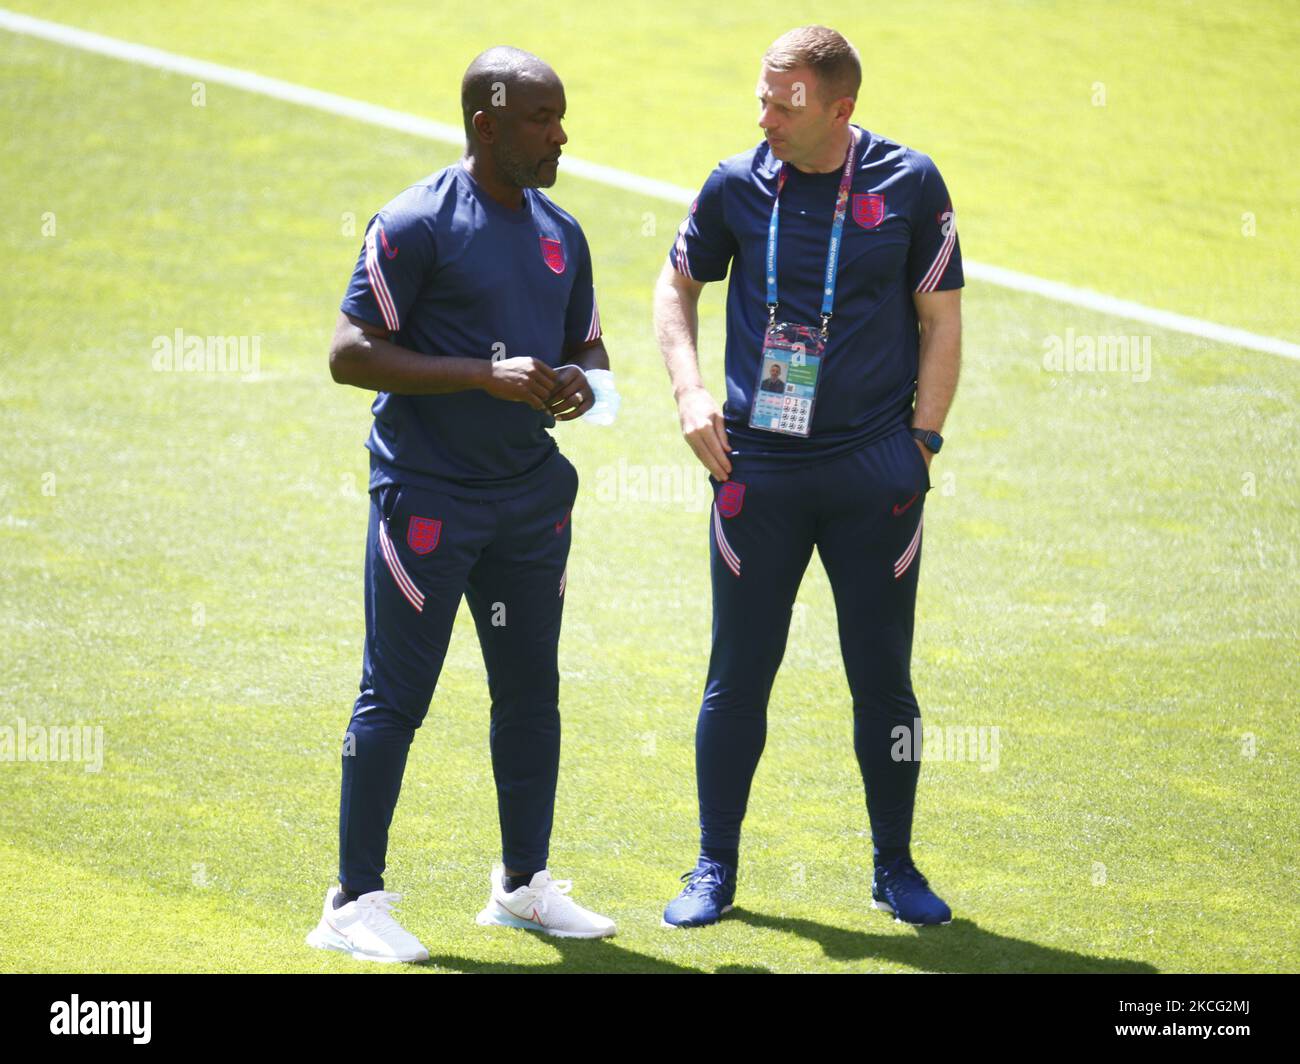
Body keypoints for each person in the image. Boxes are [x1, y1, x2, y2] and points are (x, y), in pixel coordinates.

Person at [306, 46, 616, 962]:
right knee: (395, 699)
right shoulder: (413, 223)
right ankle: (352, 903)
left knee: (531, 692)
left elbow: (594, 359)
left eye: (561, 116)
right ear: (487, 125)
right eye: (541, 120)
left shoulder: (564, 232)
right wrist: (483, 376)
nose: (561, 134)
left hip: (529, 504)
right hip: (428, 501)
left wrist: (578, 389)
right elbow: (348, 353)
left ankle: (522, 887)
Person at [653, 24, 962, 928]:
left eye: (784, 105)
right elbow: (676, 287)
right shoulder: (734, 182)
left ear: (840, 108)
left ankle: (895, 867)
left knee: (884, 679)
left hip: (875, 470)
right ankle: (713, 869)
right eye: (760, 99)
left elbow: (940, 322)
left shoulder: (910, 184)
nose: (765, 118)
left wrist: (923, 444)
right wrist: (690, 392)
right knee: (737, 676)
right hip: (759, 467)